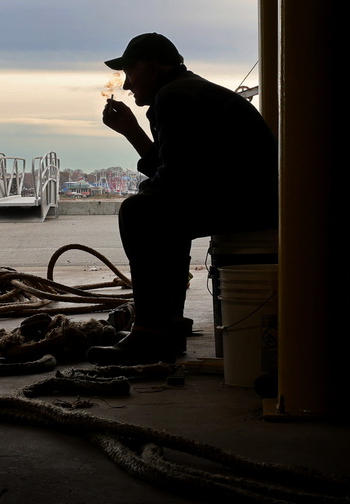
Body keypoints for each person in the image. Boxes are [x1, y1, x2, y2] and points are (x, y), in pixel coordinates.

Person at [86, 32, 278, 366]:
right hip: (253, 199)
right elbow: (174, 170)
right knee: (157, 212)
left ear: (152, 68)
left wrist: (148, 193)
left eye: (130, 74)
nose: (128, 86)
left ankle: (150, 332)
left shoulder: (175, 97)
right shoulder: (184, 91)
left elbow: (175, 180)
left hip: (249, 203)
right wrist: (131, 131)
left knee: (138, 213)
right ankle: (167, 325)